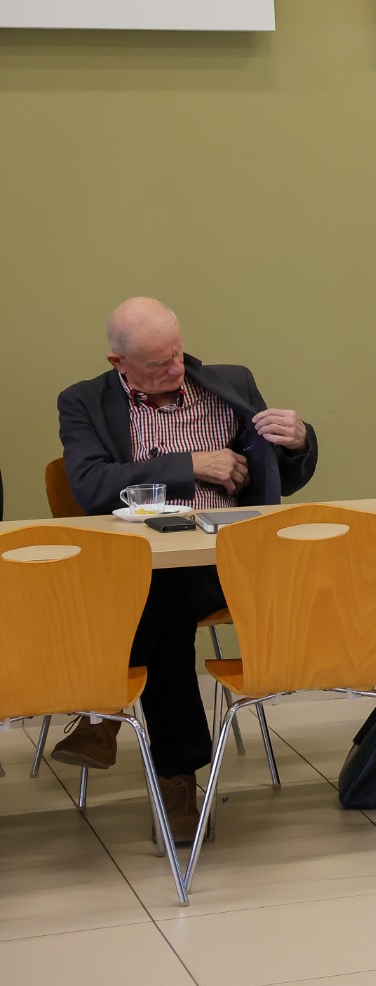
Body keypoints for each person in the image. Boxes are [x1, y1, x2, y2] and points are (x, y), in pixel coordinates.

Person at [54, 297, 319, 844]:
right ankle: (178, 778)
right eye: (158, 364)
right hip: (141, 567)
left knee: (158, 596)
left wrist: (299, 440)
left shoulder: (231, 383)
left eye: (177, 353)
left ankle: (106, 712)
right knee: (162, 595)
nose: (176, 369)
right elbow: (90, 486)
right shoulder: (84, 401)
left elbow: (280, 478)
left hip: (229, 562)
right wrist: (191, 466)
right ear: (118, 363)